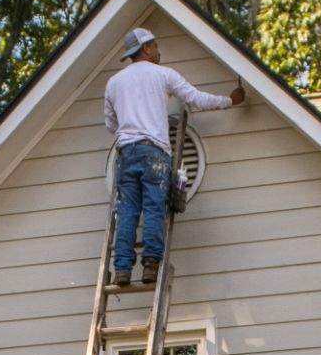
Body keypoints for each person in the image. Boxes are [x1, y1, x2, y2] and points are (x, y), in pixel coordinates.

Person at [101, 27, 245, 287]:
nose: (158, 51)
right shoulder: (163, 75)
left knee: (128, 211)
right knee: (155, 207)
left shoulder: (114, 83)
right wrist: (229, 101)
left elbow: (111, 124)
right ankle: (150, 265)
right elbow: (195, 98)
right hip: (153, 152)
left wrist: (131, 125)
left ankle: (122, 269)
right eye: (155, 45)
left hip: (126, 153)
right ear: (145, 48)